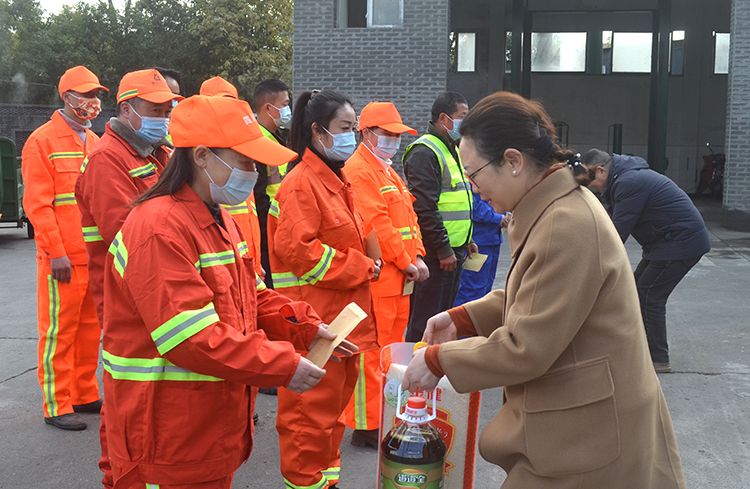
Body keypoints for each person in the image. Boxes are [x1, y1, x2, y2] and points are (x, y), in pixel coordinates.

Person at [402, 91, 687, 489]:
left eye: (474, 173)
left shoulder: (565, 224)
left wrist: (437, 360)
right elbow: (535, 293)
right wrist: (465, 317)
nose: (473, 188)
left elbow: (527, 347)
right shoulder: (550, 207)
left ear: (513, 161)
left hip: (591, 434)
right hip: (581, 418)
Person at [101, 94, 353, 489]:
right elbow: (191, 338)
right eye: (245, 161)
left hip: (203, 427)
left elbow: (252, 295)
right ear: (201, 156)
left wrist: (305, 326)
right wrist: (283, 365)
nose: (252, 173)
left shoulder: (216, 217)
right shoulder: (159, 227)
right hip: (164, 436)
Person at [75, 68, 182, 489]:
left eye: (168, 109)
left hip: (154, 294)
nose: (164, 117)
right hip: (127, 301)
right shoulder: (108, 159)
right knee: (127, 404)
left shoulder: (156, 151)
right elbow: (131, 237)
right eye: (155, 109)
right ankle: (116, 477)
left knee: (147, 405)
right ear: (127, 109)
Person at [268, 89, 380, 489]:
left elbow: (352, 235)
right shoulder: (302, 183)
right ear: (318, 131)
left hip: (339, 322)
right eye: (345, 128)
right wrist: (363, 267)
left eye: (354, 128)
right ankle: (308, 483)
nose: (353, 137)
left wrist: (369, 261)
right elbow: (301, 252)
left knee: (331, 414)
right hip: (314, 322)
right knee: (307, 418)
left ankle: (324, 481)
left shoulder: (335, 177)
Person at [21, 66, 108, 431]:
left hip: (89, 257)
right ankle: (57, 402)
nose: (92, 102)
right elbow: (38, 206)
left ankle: (84, 393)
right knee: (58, 332)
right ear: (66, 97)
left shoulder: (93, 141)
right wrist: (55, 251)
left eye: (96, 95)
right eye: (85, 95)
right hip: (62, 260)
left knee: (90, 330)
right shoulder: (42, 141)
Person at [342, 101, 429, 448]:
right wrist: (409, 260)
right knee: (371, 356)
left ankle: (380, 419)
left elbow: (409, 220)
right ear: (366, 133)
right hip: (383, 280)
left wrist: (417, 254)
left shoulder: (387, 171)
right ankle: (366, 427)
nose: (394, 140)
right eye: (387, 133)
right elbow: (375, 226)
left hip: (399, 281)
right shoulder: (360, 170)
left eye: (397, 135)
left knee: (389, 356)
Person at [579, 149, 711, 373]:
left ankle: (658, 359)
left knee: (649, 295)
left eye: (589, 181)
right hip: (665, 244)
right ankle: (637, 348)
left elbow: (617, 232)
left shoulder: (630, 182)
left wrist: (585, 262)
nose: (589, 186)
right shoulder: (625, 178)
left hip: (680, 243)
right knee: (636, 290)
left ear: (601, 171)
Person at [402, 91, 476, 343]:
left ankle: (432, 370)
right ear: (445, 118)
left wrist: (466, 239)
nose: (465, 124)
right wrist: (443, 248)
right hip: (436, 256)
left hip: (452, 252)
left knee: (441, 320)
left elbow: (456, 200)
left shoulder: (450, 148)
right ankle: (411, 375)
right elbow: (424, 207)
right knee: (425, 322)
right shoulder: (425, 151)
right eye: (462, 117)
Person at [252, 78, 292, 291]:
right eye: (285, 104)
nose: (288, 110)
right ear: (269, 108)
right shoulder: (258, 142)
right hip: (269, 235)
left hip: (278, 230)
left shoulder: (273, 137)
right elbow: (259, 196)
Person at [453, 193, 509, 306]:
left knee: (484, 289)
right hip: (478, 241)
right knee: (471, 290)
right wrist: (497, 217)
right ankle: (464, 323)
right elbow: (470, 203)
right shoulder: (468, 177)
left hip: (491, 238)